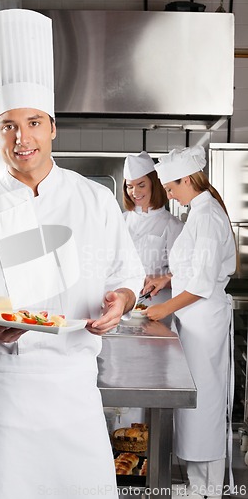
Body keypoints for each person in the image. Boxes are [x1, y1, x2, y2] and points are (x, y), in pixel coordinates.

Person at [0, 10, 145, 499]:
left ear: (52, 128)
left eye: (32, 123)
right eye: (7, 126)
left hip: (75, 390)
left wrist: (123, 299)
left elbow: (127, 274)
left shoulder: (93, 200)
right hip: (6, 392)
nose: (21, 138)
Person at [142, 145, 236, 498]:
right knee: (194, 399)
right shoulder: (198, 212)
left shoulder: (208, 216)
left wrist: (162, 311)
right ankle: (198, 484)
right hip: (194, 320)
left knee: (205, 402)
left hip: (205, 322)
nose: (169, 195)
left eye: (170, 188)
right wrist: (165, 280)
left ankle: (208, 489)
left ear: (188, 179)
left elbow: (201, 283)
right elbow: (194, 269)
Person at [123, 151, 183, 306]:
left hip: (158, 304)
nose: (135, 192)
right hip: (122, 302)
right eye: (130, 186)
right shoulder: (120, 220)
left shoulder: (173, 226)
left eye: (141, 185)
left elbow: (183, 274)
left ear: (154, 184)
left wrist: (160, 279)